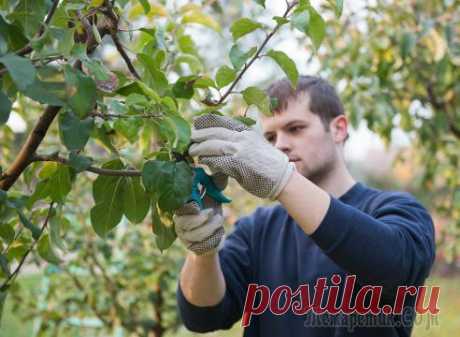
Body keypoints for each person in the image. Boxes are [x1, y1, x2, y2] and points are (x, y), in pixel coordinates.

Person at [173, 75, 436, 337]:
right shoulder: (257, 229)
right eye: (270, 137)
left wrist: (283, 180)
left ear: (339, 129)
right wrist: (203, 252)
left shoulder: (398, 210)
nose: (281, 145)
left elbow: (393, 266)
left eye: (295, 128)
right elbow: (202, 316)